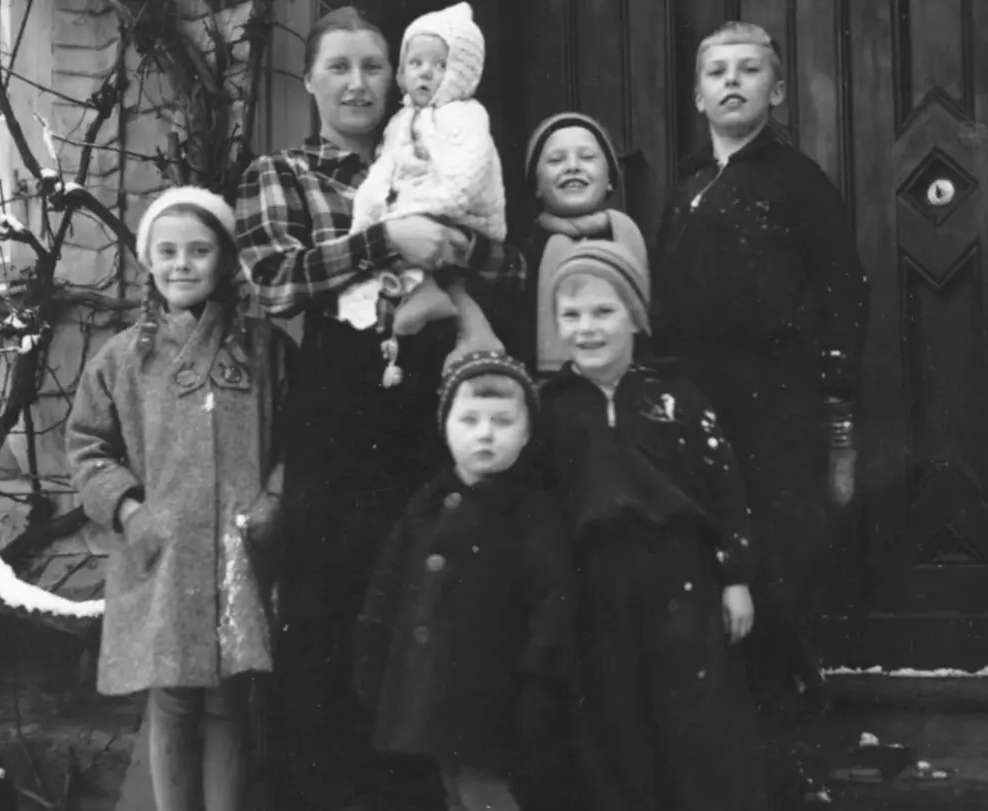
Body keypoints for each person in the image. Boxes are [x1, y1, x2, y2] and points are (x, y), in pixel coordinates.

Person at [235, 8, 522, 810]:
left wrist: (451, 247)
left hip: (430, 406)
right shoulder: (282, 173)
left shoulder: (441, 146)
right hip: (338, 412)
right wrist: (390, 238)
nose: (360, 82)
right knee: (332, 618)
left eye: (373, 65)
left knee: (429, 619)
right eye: (340, 67)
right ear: (311, 82)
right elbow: (271, 279)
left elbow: (513, 259)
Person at [649, 21, 871, 806]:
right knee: (707, 574)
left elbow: (843, 294)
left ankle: (789, 759)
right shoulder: (684, 185)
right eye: (718, 70)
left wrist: (828, 395)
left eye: (750, 70)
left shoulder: (799, 181)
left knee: (775, 577)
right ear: (699, 90)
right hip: (697, 405)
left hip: (776, 408)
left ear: (776, 91)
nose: (732, 81)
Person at [66, 186, 289, 811]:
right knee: (173, 699)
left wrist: (275, 498)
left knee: (228, 700)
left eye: (198, 250)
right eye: (167, 251)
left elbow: (302, 439)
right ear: (149, 262)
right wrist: (130, 510)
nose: (182, 264)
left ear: (223, 262)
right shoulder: (121, 360)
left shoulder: (264, 350)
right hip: (164, 552)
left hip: (240, 545)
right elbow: (86, 446)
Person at [538, 240, 766, 811]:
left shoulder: (677, 398)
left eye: (603, 312)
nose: (586, 329)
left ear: (635, 317)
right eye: (571, 315)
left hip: (679, 576)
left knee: (696, 714)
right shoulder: (551, 407)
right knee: (613, 714)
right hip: (595, 581)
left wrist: (734, 577)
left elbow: (724, 487)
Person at [353, 351, 573, 811]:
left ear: (528, 432)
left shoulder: (532, 513)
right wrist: (372, 651)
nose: (485, 434)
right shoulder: (427, 502)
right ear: (445, 425)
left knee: (484, 790)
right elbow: (387, 582)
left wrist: (538, 686)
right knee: (452, 787)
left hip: (490, 695)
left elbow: (552, 605)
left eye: (502, 421)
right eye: (469, 419)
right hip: (427, 686)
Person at [341, 2, 508, 385]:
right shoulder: (402, 120)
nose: (425, 73)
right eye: (416, 63)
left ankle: (433, 296)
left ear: (459, 74)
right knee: (399, 242)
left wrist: (423, 205)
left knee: (417, 239)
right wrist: (366, 219)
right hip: (423, 207)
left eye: (439, 65)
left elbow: (469, 167)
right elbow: (384, 171)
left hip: (460, 206)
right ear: (402, 72)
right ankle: (436, 300)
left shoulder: (465, 114)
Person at [503, 112, 647, 375]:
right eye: (556, 160)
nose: (572, 166)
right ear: (536, 184)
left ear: (610, 179)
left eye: (587, 157)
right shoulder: (525, 251)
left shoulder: (629, 240)